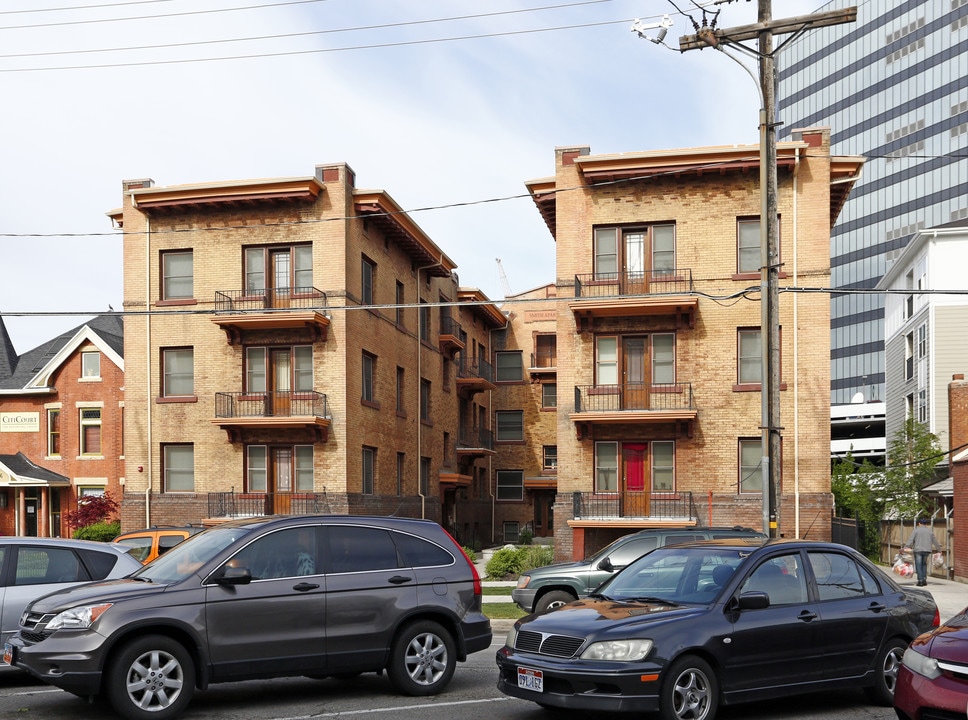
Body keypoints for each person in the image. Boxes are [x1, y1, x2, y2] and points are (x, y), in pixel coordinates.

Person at [904, 518, 941, 587]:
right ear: (926, 524)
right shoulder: (930, 531)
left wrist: (906, 547)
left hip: (918, 550)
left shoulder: (916, 530)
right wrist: (939, 549)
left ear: (919, 523)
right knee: (924, 564)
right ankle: (924, 579)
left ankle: (920, 580)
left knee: (918, 565)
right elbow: (934, 541)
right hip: (927, 550)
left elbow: (911, 539)